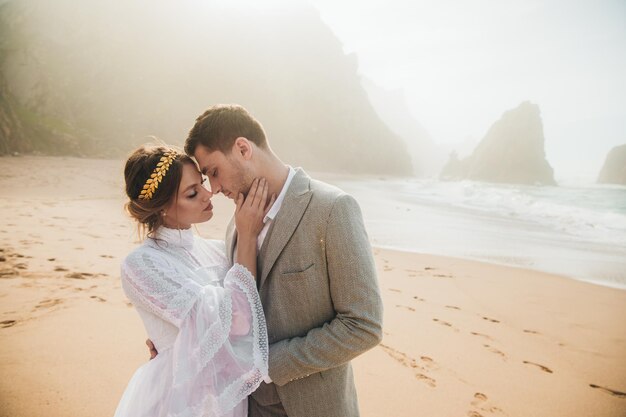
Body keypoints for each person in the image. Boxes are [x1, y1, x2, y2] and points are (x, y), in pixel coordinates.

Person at [182, 104, 384, 417]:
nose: (216, 188)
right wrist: (172, 343)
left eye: (214, 172)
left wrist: (268, 365)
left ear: (243, 148)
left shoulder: (332, 209)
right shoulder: (234, 228)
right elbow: (228, 311)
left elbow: (363, 325)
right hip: (247, 408)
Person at [115, 144, 275, 417]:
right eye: (192, 193)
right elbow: (238, 322)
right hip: (180, 400)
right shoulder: (142, 264)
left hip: (227, 397)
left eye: (201, 183)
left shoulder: (217, 250)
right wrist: (247, 236)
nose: (208, 193)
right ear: (162, 208)